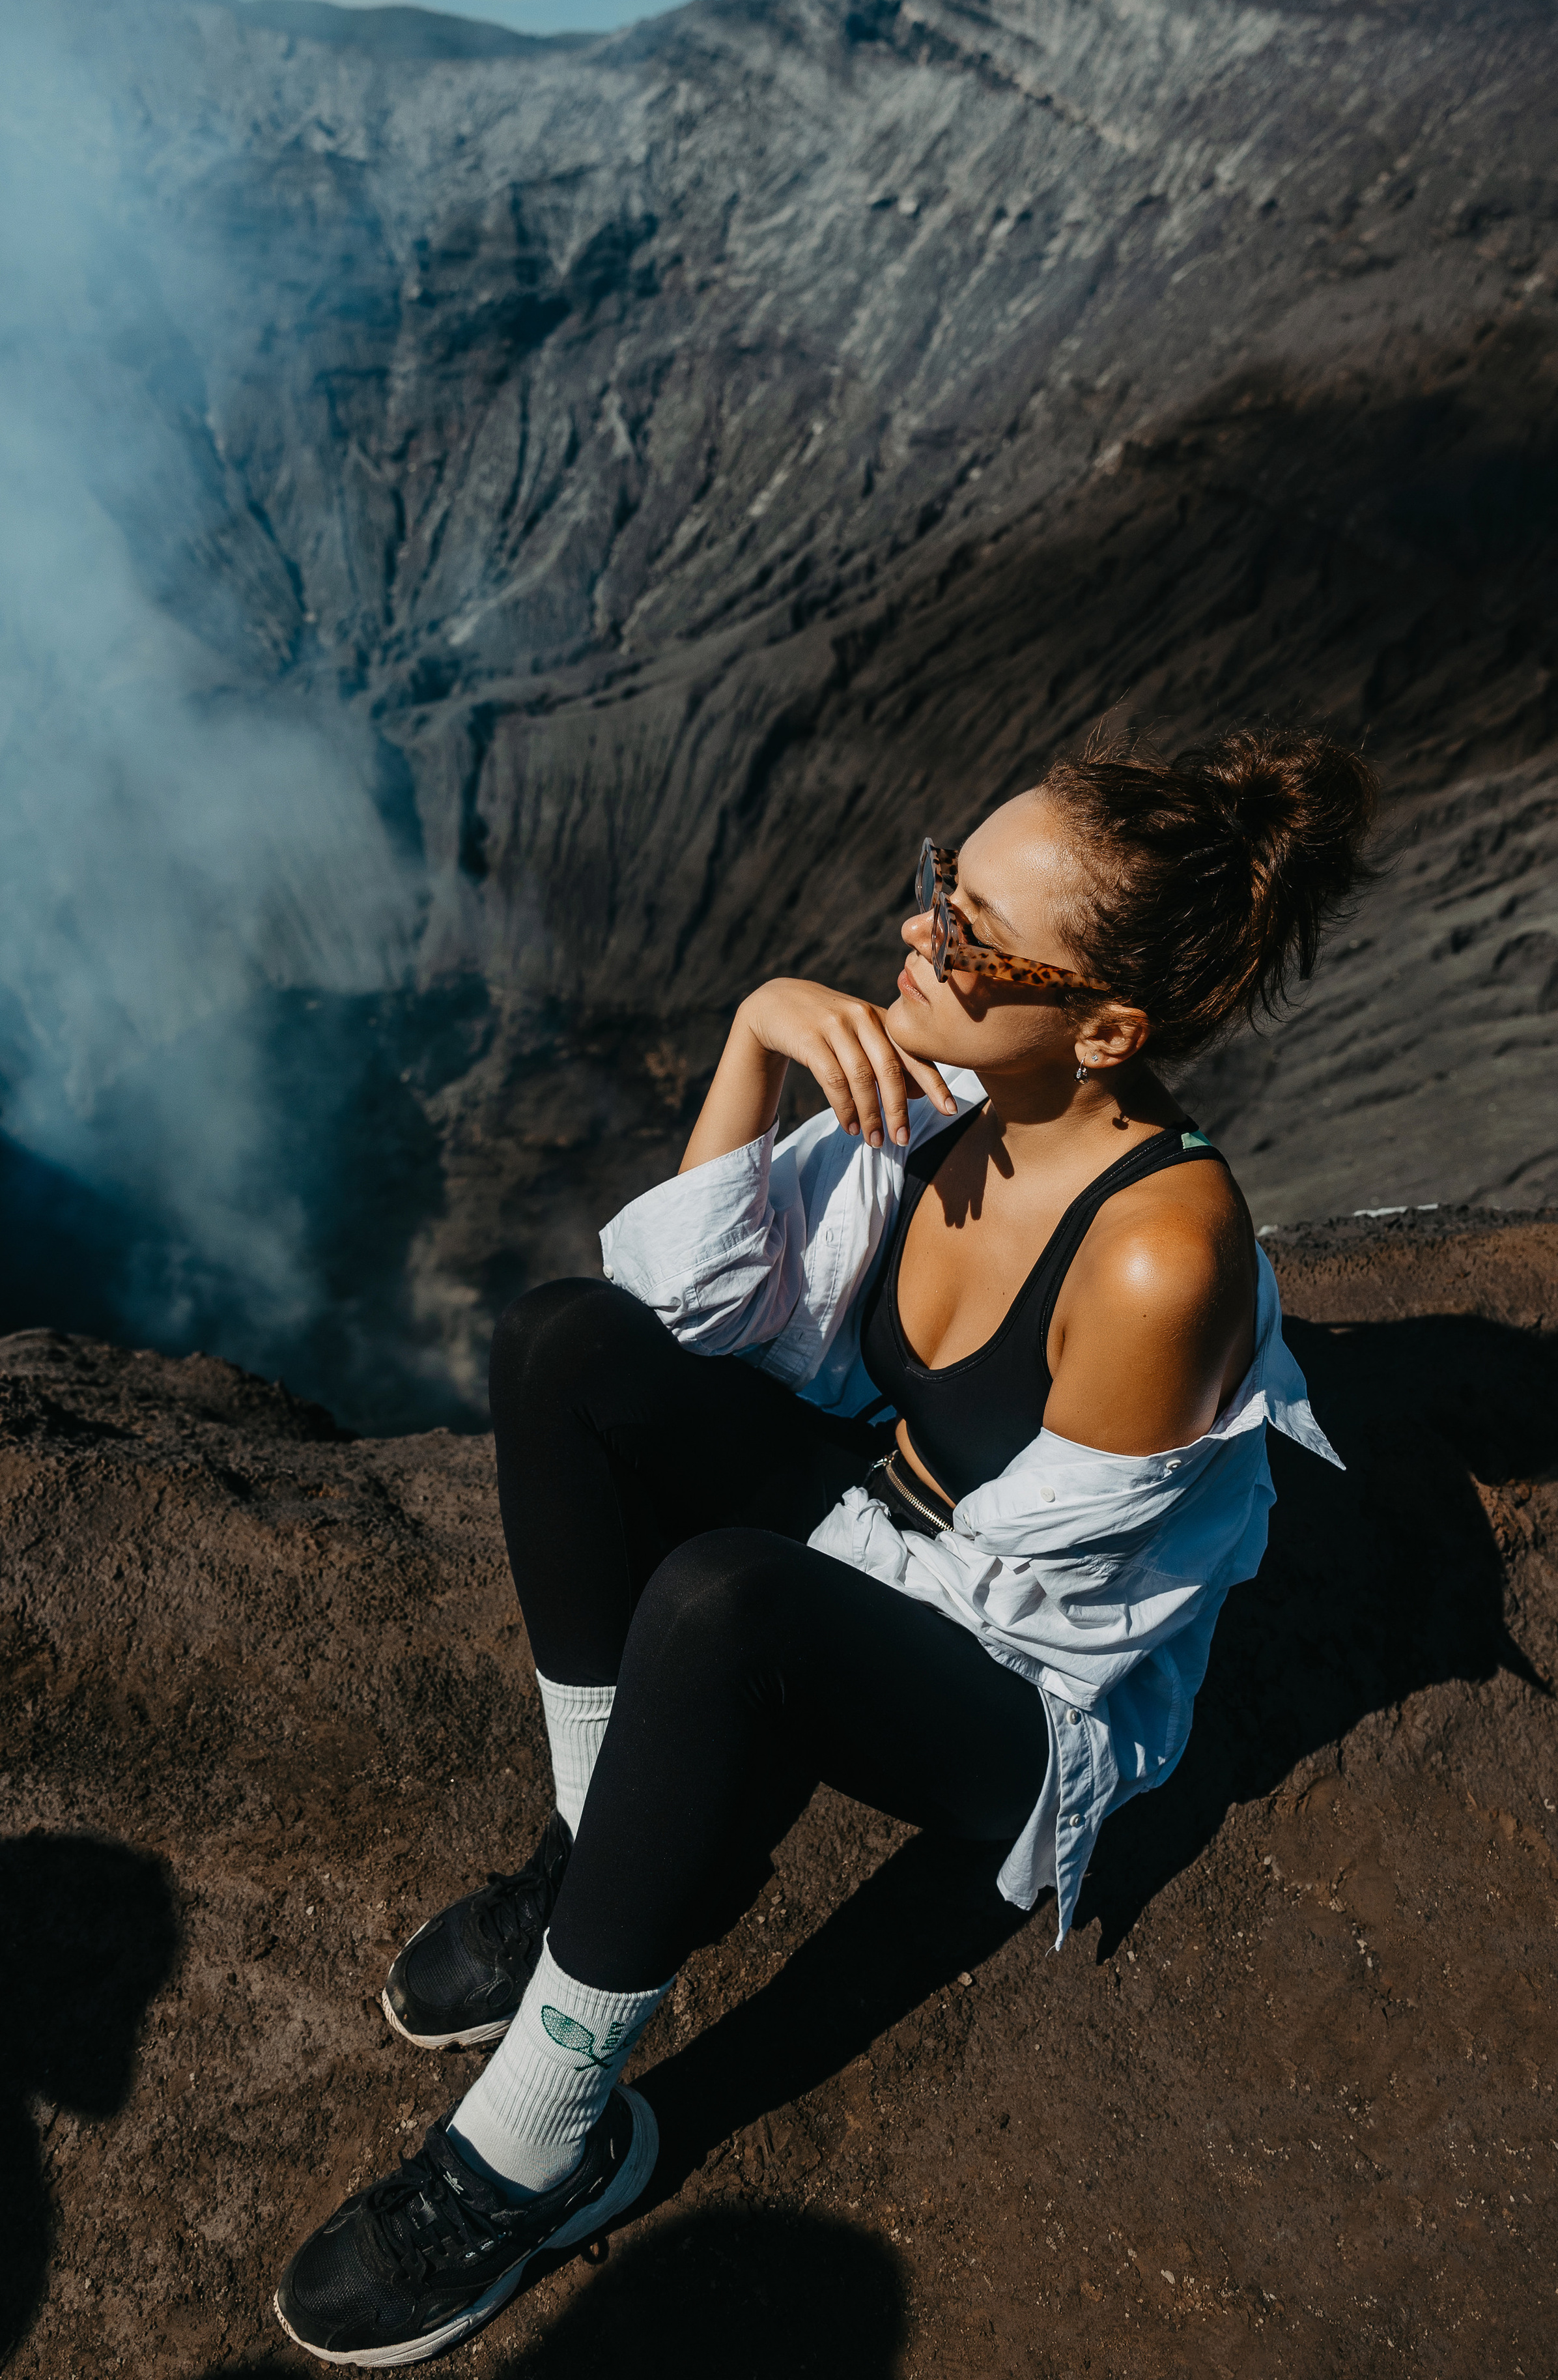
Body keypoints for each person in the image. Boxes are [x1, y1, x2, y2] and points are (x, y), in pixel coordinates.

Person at [274, 726, 1376, 2366]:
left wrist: (715, 1723)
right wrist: (751, 1039)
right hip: (894, 1513)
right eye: (942, 882)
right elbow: (685, 1312)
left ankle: (538, 2142)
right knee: (562, 1345)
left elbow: (1034, 1618)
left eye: (972, 931)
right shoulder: (951, 1092)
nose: (915, 933)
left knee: (720, 1608)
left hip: (1020, 1701)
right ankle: (602, 1857)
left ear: (1108, 1027)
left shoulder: (1159, 1261)